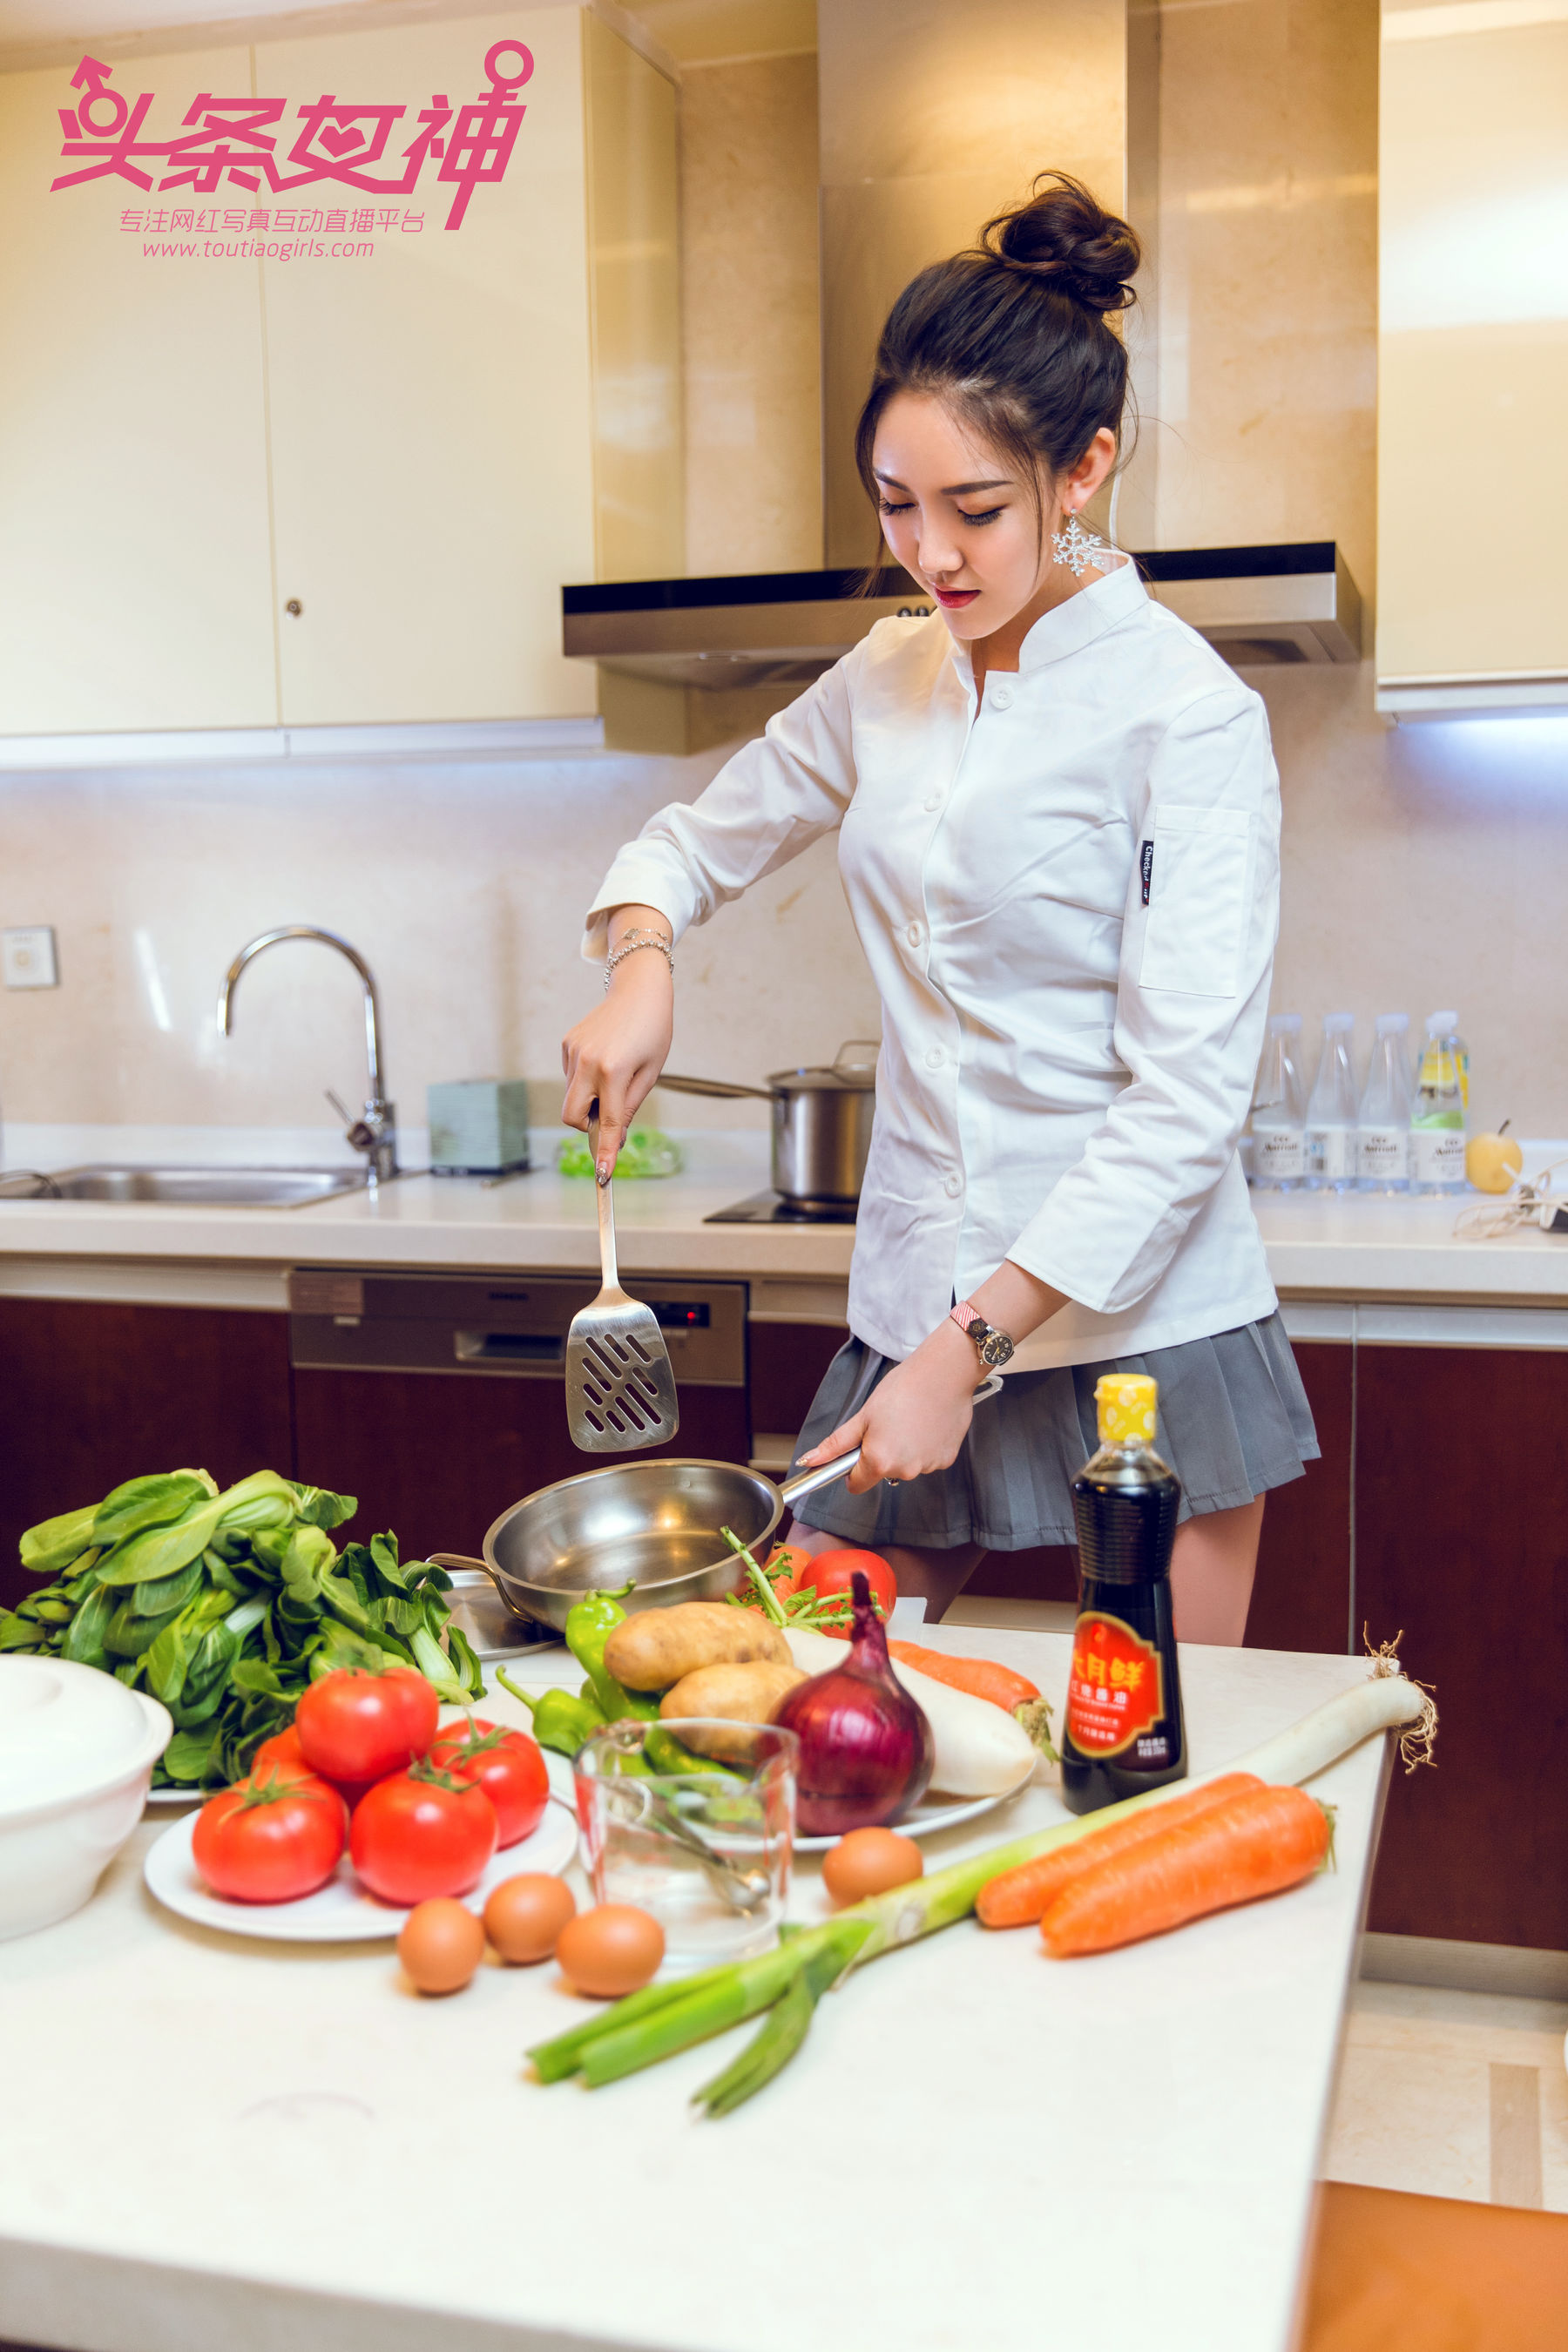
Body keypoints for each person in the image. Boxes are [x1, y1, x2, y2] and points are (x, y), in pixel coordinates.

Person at [562, 172, 1316, 1644]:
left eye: (976, 508)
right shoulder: (889, 672)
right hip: (918, 1285)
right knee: (800, 1694)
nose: (931, 554)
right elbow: (688, 842)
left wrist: (970, 1351)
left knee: (1154, 1757)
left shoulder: (1188, 718)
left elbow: (1182, 1105)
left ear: (1084, 469)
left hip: (1135, 1323)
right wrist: (641, 959)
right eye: (897, 506)